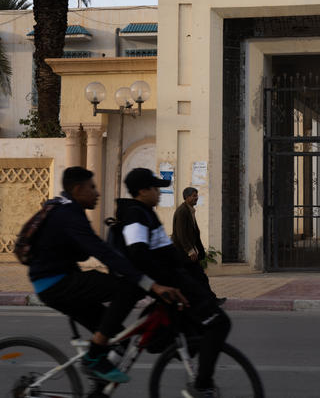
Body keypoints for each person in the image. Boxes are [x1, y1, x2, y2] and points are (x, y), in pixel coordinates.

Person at [28, 166, 187, 384]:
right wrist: (150, 284)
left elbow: (86, 251)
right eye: (92, 187)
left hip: (55, 283)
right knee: (128, 287)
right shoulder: (69, 214)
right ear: (77, 189)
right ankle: (93, 356)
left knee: (117, 336)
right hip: (57, 284)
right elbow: (103, 253)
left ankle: (98, 386)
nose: (97, 192)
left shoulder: (67, 210)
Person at [115, 168, 230, 398]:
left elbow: (164, 250)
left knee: (198, 327)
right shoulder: (137, 214)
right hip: (171, 284)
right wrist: (157, 286)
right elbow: (139, 253)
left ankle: (194, 370)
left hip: (177, 279)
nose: (159, 192)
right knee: (219, 323)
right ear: (142, 190)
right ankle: (202, 385)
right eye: (155, 188)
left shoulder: (147, 213)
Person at [172, 187, 221, 300]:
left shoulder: (189, 210)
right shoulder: (182, 211)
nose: (196, 198)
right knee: (197, 277)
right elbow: (181, 234)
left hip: (187, 253)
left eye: (196, 195)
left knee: (198, 277)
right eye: (194, 196)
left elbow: (194, 233)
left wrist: (200, 251)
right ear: (187, 197)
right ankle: (208, 299)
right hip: (183, 253)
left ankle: (208, 299)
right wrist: (190, 250)